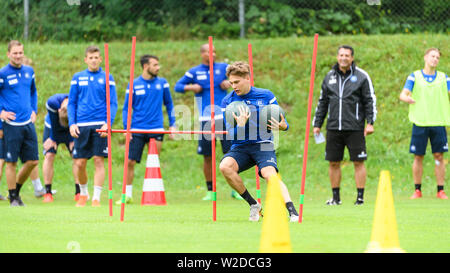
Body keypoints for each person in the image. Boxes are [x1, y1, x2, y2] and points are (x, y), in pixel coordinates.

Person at [219, 61, 299, 222]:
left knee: (270, 175)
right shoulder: (228, 102)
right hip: (240, 146)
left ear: (247, 78)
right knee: (224, 167)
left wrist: (284, 126)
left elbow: (280, 120)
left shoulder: (266, 95)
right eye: (231, 82)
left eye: (237, 82)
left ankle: (293, 212)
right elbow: (231, 135)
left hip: (263, 144)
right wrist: (240, 126)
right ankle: (254, 204)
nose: (234, 86)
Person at [175, 44, 242, 201]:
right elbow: (178, 86)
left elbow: (242, 80)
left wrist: (230, 84)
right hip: (206, 119)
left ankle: (236, 190)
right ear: (202, 54)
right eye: (208, 51)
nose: (212, 54)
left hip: (225, 117)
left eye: (214, 51)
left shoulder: (224, 68)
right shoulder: (194, 71)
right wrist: (192, 87)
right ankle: (211, 191)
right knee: (207, 156)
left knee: (231, 154)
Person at [312, 45, 377, 206]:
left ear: (352, 58)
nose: (343, 58)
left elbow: (369, 100)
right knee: (333, 162)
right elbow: (323, 102)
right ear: (337, 57)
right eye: (341, 55)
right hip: (333, 127)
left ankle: (360, 198)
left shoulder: (361, 76)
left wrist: (370, 122)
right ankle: (336, 198)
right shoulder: (329, 77)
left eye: (347, 55)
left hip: (354, 127)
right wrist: (317, 123)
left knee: (358, 162)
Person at [119, 54, 176, 204]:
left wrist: (173, 124)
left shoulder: (162, 83)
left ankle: (155, 194)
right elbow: (126, 108)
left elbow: (169, 105)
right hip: (137, 129)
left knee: (154, 161)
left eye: (158, 65)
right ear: (145, 66)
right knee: (130, 162)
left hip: (156, 129)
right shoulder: (134, 84)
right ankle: (128, 195)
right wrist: (127, 128)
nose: (158, 68)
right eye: (155, 65)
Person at [68, 45, 118, 207]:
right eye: (91, 57)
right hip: (82, 125)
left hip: (100, 125)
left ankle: (96, 198)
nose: (94, 60)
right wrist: (72, 123)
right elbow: (72, 103)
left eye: (96, 57)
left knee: (98, 161)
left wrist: (107, 124)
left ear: (100, 59)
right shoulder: (77, 77)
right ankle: (83, 193)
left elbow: (113, 103)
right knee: (80, 163)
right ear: (86, 60)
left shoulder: (107, 77)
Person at [399, 48, 449, 199]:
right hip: (420, 122)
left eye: (437, 57)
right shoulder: (414, 76)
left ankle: (440, 190)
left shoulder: (444, 77)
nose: (435, 59)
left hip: (438, 122)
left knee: (439, 156)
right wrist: (406, 98)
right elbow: (403, 94)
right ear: (425, 57)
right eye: (432, 56)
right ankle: (417, 190)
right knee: (418, 156)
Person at [0, 40, 40, 206]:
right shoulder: (2, 73)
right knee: (11, 163)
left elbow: (33, 92)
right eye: (15, 53)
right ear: (8, 54)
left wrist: (34, 110)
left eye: (20, 53)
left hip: (27, 123)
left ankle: (15, 190)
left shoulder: (29, 71)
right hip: (11, 125)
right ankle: (13, 197)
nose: (18, 56)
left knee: (33, 161)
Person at [41, 93, 80, 203]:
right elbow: (54, 124)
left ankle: (78, 192)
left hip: (70, 127)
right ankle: (48, 193)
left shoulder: (77, 102)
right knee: (49, 155)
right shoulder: (52, 102)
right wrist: (53, 138)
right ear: (59, 110)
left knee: (76, 156)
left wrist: (73, 140)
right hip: (53, 126)